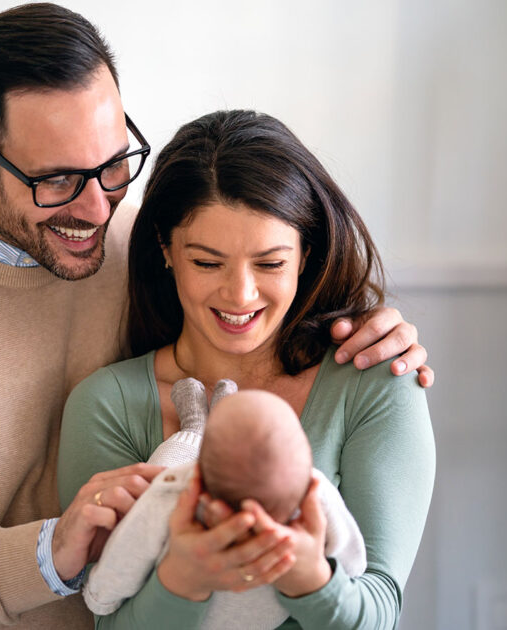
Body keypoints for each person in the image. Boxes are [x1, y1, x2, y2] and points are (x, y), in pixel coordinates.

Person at [0, 5, 433, 629]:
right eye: (58, 179)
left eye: (114, 164)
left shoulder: (134, 245)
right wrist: (49, 552)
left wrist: (377, 332)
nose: (98, 209)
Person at [58, 109, 436, 629]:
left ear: (305, 253)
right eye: (207, 262)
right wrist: (184, 578)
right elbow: (108, 618)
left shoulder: (375, 382)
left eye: (270, 263)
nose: (240, 294)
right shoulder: (107, 405)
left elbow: (380, 611)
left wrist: (307, 577)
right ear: (166, 251)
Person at [83, 385, 367, 630]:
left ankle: (196, 430)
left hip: (180, 617)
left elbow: (129, 549)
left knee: (161, 469)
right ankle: (213, 420)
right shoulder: (316, 493)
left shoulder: (171, 495)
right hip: (262, 622)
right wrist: (313, 572)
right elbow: (354, 566)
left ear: (199, 476)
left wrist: (100, 596)